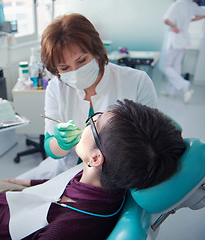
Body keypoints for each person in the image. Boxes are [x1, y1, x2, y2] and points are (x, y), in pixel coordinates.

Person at [0, 100, 186, 240]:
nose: (87, 121)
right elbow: (68, 184)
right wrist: (32, 182)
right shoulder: (107, 178)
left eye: (93, 122)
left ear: (95, 158)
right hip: (30, 199)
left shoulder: (68, 231)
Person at [17, 13, 158, 180]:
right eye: (64, 68)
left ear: (96, 51)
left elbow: (152, 141)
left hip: (118, 175)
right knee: (9, 190)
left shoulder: (136, 81)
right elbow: (50, 148)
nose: (75, 72)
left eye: (82, 60)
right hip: (64, 172)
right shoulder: (56, 87)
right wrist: (61, 143)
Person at [162, 0, 205, 103]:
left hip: (175, 38)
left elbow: (166, 20)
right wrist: (191, 20)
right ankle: (172, 92)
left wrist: (174, 26)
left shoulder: (177, 4)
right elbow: (203, 14)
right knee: (176, 66)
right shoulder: (192, 5)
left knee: (165, 66)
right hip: (184, 39)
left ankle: (184, 84)